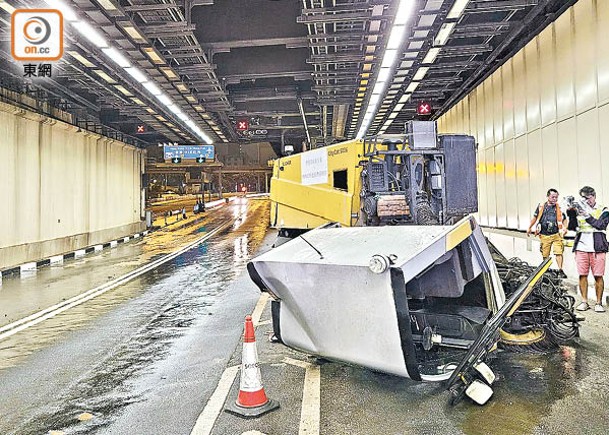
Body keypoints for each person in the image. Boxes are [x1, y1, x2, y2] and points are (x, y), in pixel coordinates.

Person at [572, 186, 609, 312]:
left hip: (598, 248)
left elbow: (601, 225)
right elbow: (572, 225)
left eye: (588, 198)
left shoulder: (603, 209)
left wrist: (587, 215)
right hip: (581, 247)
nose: (586, 201)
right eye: (583, 199)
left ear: (594, 196)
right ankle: (584, 301)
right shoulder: (579, 210)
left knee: (598, 276)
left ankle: (598, 303)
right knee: (582, 275)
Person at [526, 188, 568, 278]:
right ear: (548, 196)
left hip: (556, 234)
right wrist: (529, 227)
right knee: (545, 253)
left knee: (558, 252)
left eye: (556, 197)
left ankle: (560, 270)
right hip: (544, 235)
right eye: (553, 197)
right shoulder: (541, 206)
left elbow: (564, 219)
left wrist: (565, 228)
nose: (555, 199)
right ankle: (546, 268)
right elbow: (535, 217)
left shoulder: (559, 208)